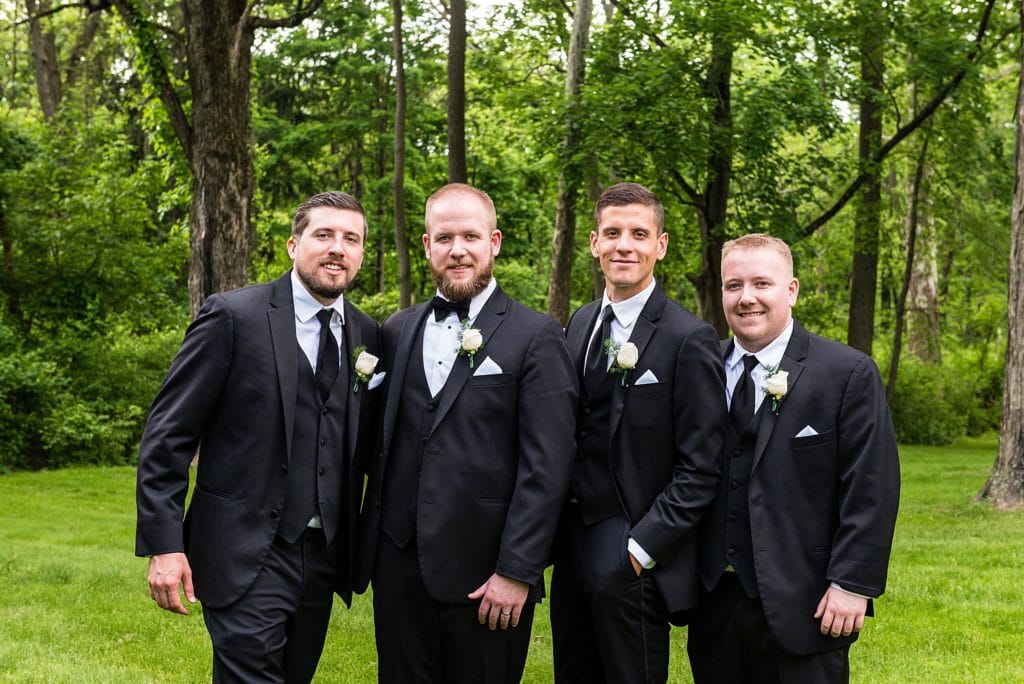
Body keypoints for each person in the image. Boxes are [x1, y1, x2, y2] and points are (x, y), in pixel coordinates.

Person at [135, 191, 383, 683]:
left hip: (323, 556)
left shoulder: (367, 335)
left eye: (350, 239)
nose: (337, 248)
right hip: (243, 547)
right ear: (294, 245)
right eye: (324, 235)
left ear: (360, 253)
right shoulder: (232, 316)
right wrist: (164, 545)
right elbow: (168, 435)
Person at [354, 183, 577, 683]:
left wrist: (518, 570)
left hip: (488, 576)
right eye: (445, 237)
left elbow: (549, 466)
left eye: (471, 236)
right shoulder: (395, 330)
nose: (459, 250)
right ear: (427, 246)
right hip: (399, 570)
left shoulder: (536, 335)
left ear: (493, 242)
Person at [687, 233, 901, 683]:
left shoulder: (846, 373)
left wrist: (852, 585)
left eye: (761, 283)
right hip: (714, 601)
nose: (746, 298)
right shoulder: (701, 368)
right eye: (733, 286)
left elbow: (871, 488)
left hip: (808, 599)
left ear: (792, 290)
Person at [549, 182, 726, 683]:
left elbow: (701, 466)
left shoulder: (689, 338)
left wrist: (641, 548)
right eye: (613, 233)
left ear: (660, 245)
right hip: (571, 544)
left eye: (638, 234)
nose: (624, 244)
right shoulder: (581, 321)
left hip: (632, 549)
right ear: (594, 243)